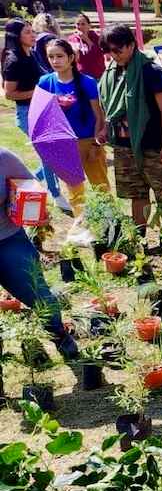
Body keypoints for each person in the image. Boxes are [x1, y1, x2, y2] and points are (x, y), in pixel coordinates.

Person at [99, 24, 162, 242]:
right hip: (123, 146)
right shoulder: (112, 73)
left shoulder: (152, 73)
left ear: (131, 45)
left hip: (152, 145)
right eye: (109, 51)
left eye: (118, 50)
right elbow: (109, 108)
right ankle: (139, 239)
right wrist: (104, 130)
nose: (114, 55)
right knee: (137, 193)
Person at [0, 147, 79, 359]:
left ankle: (59, 334)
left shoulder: (3, 158)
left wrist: (38, 211)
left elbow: (31, 186)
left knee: (39, 292)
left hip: (7, 239)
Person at [4, 19, 70, 212]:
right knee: (50, 154)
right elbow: (9, 93)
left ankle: (27, 183)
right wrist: (38, 92)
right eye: (27, 32)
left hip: (42, 109)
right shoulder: (13, 60)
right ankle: (56, 194)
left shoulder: (31, 54)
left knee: (53, 153)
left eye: (32, 31)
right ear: (17, 36)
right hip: (27, 114)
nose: (33, 35)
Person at [39, 38, 109, 202]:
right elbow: (42, 116)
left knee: (101, 187)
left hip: (88, 141)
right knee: (75, 192)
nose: (55, 61)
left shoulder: (87, 82)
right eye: (51, 57)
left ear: (71, 58)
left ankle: (111, 223)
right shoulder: (45, 82)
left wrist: (96, 145)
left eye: (60, 56)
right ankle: (81, 224)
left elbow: (99, 116)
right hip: (64, 144)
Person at [70, 14, 106, 79]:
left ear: (89, 26)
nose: (80, 27)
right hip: (81, 75)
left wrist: (87, 39)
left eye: (83, 24)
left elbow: (99, 53)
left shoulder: (96, 37)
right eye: (78, 24)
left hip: (97, 74)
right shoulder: (72, 39)